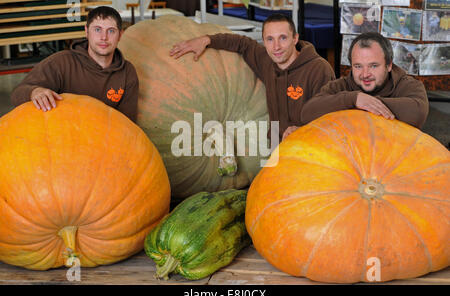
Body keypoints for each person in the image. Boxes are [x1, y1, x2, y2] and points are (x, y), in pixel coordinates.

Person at [169, 14, 335, 141]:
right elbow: (243, 44)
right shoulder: (267, 61)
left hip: (310, 147)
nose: (276, 46)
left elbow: (332, 119)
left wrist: (302, 129)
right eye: (270, 39)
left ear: (295, 38)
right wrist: (207, 40)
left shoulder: (319, 69)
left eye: (283, 38)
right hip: (277, 149)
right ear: (264, 41)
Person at [10, 6, 139, 122]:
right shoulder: (60, 63)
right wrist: (34, 92)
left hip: (104, 141)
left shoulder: (127, 73)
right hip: (60, 137)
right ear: (86, 31)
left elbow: (127, 124)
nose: (104, 37)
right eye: (97, 29)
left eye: (111, 31)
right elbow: (17, 94)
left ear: (120, 35)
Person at [301, 32, 428, 129]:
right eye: (358, 66)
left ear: (389, 65)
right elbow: (307, 114)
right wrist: (354, 99)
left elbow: (418, 113)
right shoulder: (339, 86)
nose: (365, 74)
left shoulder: (409, 85)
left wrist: (367, 103)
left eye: (373, 66)